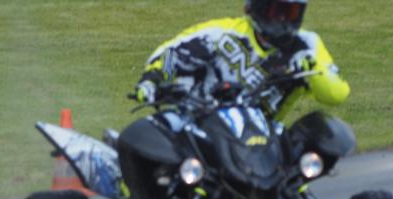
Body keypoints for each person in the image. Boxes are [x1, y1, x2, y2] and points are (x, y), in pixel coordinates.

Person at [134, 0, 350, 120]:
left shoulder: (308, 45)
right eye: (277, 11)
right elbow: (171, 53)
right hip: (200, 125)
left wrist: (312, 67)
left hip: (263, 140)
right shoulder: (221, 33)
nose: (284, 20)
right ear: (259, 8)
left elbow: (337, 94)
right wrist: (151, 80)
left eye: (292, 12)